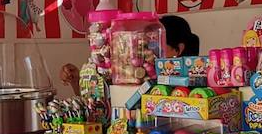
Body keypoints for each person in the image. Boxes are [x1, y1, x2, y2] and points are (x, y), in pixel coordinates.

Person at [59, 15, 202, 94]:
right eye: (145, 45)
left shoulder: (191, 85)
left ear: (178, 50)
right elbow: (99, 107)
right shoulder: (138, 76)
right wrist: (76, 81)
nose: (148, 51)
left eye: (154, 45)